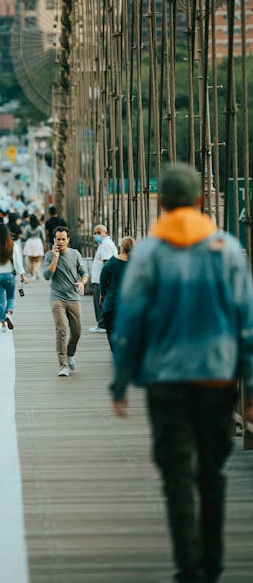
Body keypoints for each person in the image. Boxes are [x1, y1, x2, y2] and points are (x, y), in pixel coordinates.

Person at [110, 163, 253, 583]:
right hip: (217, 378)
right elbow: (246, 324)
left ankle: (188, 569)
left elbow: (130, 321)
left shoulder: (149, 254)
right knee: (212, 472)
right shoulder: (226, 249)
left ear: (159, 204)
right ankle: (213, 563)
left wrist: (121, 381)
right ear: (201, 202)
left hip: (166, 380)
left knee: (176, 474)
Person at [43, 226, 89, 377]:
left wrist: (82, 282)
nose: (60, 242)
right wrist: (55, 257)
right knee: (61, 330)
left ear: (68, 240)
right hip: (57, 298)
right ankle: (63, 365)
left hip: (73, 297)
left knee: (77, 332)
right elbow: (47, 276)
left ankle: (70, 354)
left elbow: (84, 272)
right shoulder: (50, 255)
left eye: (63, 239)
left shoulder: (75, 254)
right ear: (54, 240)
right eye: (58, 239)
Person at [0, 223, 26, 331]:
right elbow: (17, 261)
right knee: (10, 297)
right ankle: (9, 312)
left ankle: (3, 324)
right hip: (9, 275)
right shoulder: (12, 245)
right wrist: (22, 274)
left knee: (0, 300)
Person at [99, 236, 135, 351]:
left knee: (112, 332)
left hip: (112, 304)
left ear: (121, 247)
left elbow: (103, 280)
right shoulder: (137, 265)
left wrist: (102, 294)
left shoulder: (111, 263)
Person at [88, 224, 117, 332]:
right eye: (95, 233)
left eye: (99, 233)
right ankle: (102, 323)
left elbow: (107, 264)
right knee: (100, 302)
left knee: (99, 302)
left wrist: (105, 280)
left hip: (100, 280)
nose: (96, 235)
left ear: (106, 233)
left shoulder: (105, 245)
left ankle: (102, 324)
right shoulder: (105, 244)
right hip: (100, 279)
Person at [23, 214, 46, 280]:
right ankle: (37, 270)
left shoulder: (28, 227)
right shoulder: (39, 227)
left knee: (31, 261)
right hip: (38, 242)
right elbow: (43, 236)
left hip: (30, 242)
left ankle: (32, 275)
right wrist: (44, 243)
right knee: (38, 260)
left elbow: (24, 236)